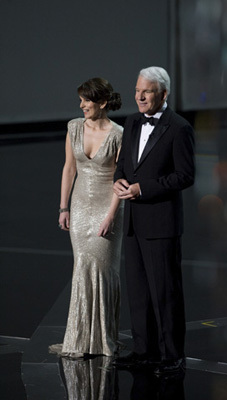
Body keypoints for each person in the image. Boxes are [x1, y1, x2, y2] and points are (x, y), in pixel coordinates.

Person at [113, 66, 195, 376]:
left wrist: (143, 188)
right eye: (137, 90)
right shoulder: (132, 122)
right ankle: (143, 351)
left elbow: (185, 176)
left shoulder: (179, 128)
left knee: (165, 294)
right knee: (139, 293)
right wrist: (118, 181)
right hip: (134, 222)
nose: (139, 96)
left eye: (146, 91)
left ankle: (172, 356)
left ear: (163, 93)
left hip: (161, 224)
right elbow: (123, 164)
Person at [49, 77, 123, 359]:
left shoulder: (118, 134)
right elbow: (69, 169)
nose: (81, 106)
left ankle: (102, 339)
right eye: (80, 101)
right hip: (79, 207)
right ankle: (80, 338)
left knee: (103, 270)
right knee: (82, 266)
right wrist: (63, 207)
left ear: (102, 103)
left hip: (107, 206)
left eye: (86, 101)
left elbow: (121, 177)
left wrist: (111, 216)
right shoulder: (74, 128)